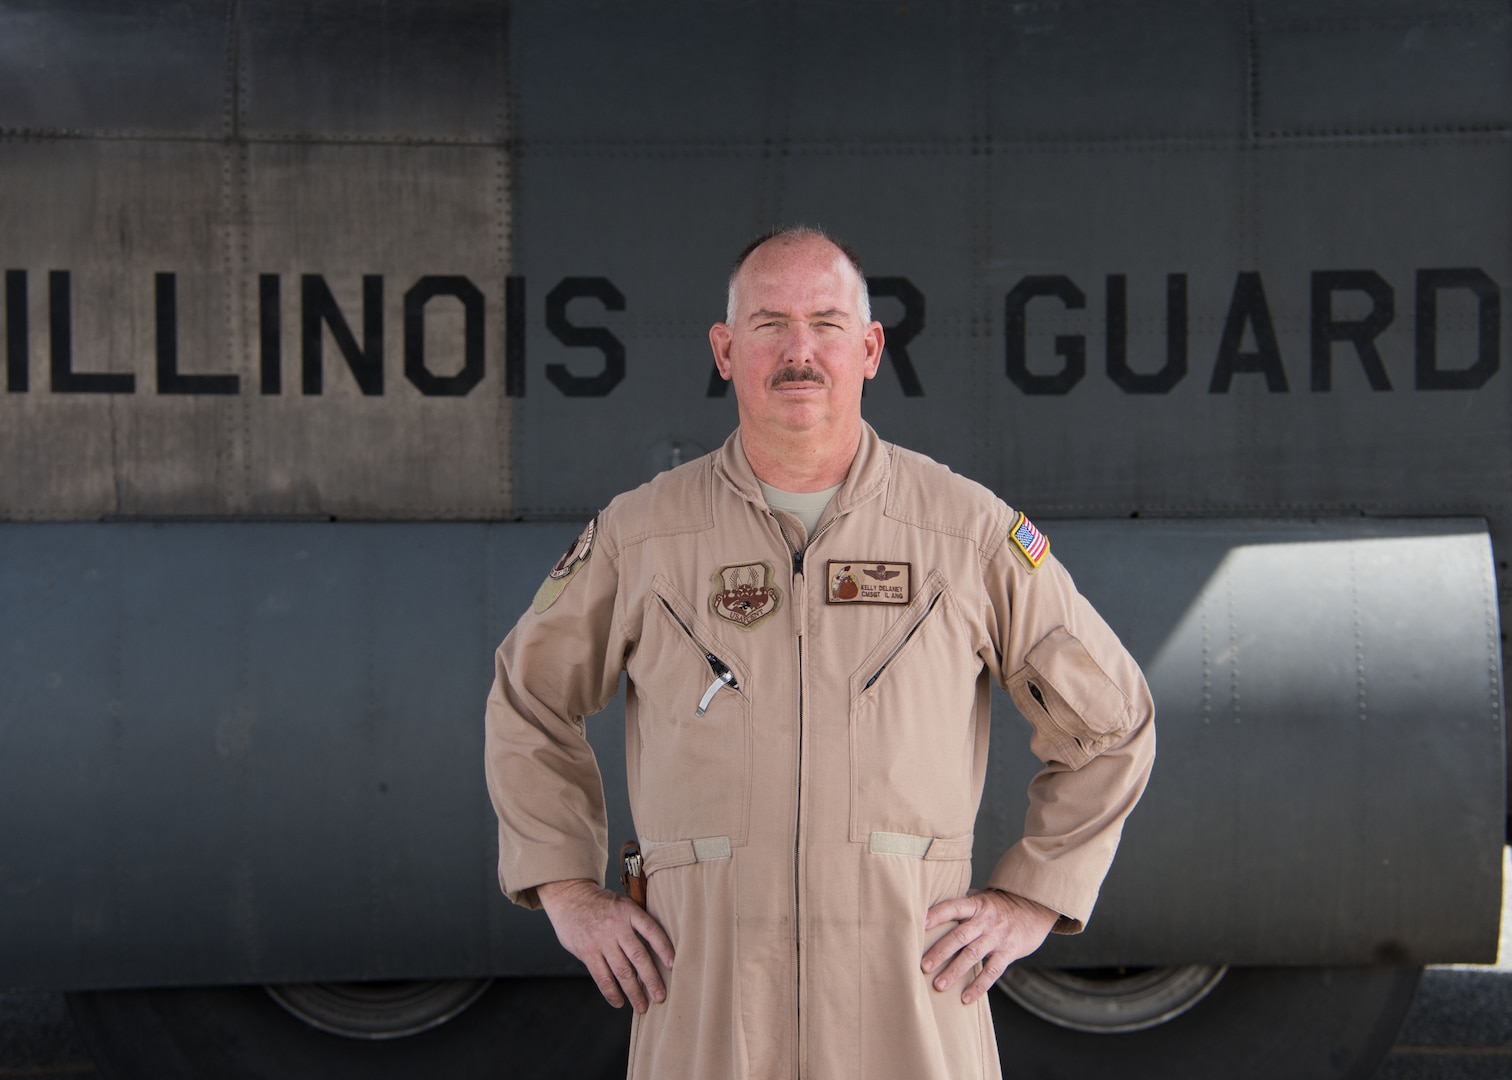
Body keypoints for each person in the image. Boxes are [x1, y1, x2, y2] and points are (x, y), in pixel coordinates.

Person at [484, 226, 1155, 1079]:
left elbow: (1112, 721)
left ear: (870, 349)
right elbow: (528, 698)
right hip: (706, 1001)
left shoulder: (964, 530)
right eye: (769, 324)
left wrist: (1031, 895)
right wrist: (568, 892)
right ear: (725, 351)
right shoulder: (643, 534)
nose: (799, 351)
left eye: (827, 323)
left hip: (909, 1002)